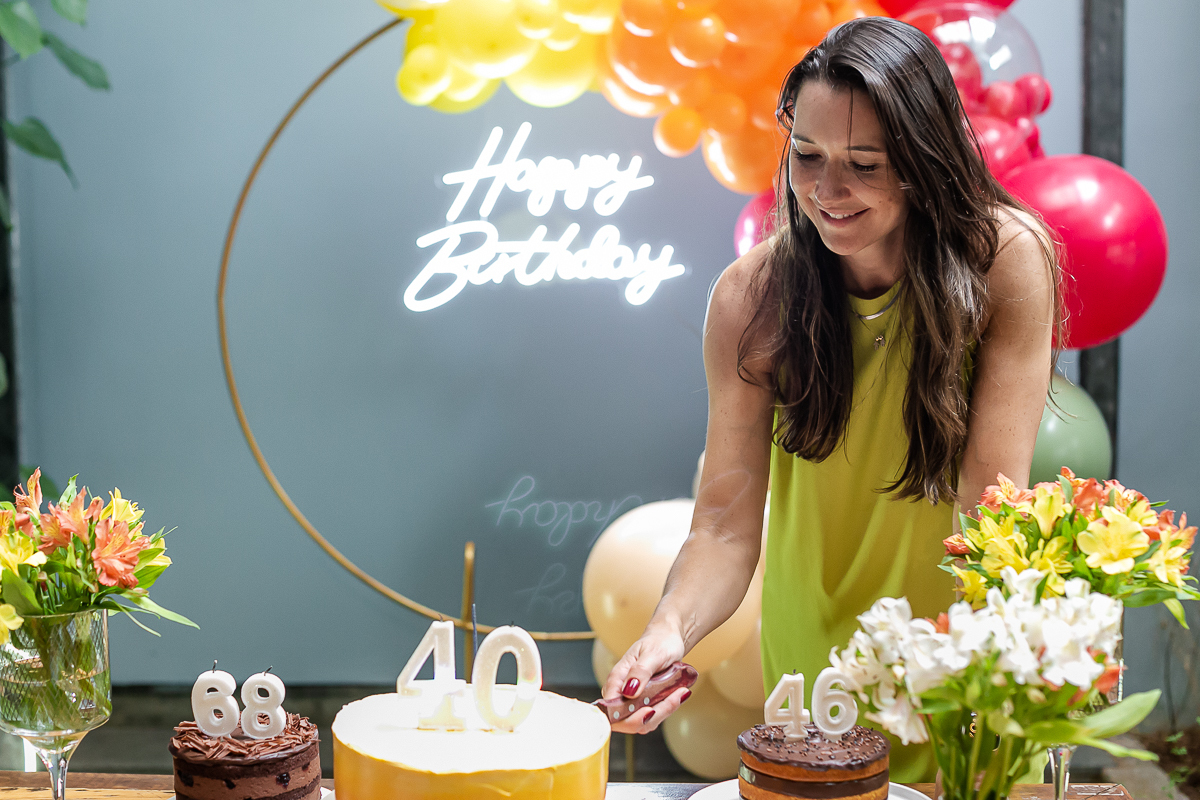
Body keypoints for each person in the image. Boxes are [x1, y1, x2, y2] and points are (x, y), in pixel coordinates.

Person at [601, 16, 1059, 782]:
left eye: (864, 164)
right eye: (807, 156)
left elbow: (991, 505)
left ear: (925, 160)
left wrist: (985, 688)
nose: (827, 191)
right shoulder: (753, 298)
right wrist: (670, 630)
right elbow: (723, 523)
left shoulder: (1005, 262)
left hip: (958, 663)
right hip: (810, 679)